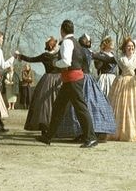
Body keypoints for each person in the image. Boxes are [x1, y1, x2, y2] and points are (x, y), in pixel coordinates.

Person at [35, 20, 98, 148]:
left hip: (72, 80)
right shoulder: (76, 43)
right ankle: (48, 137)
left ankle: (91, 138)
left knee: (80, 108)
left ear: (62, 30)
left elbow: (66, 62)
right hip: (72, 79)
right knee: (59, 107)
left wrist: (54, 64)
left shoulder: (67, 42)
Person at [56, 34, 116, 141]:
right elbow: (106, 59)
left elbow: (106, 59)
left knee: (79, 107)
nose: (84, 40)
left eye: (86, 39)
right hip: (83, 78)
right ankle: (84, 132)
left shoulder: (82, 50)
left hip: (81, 79)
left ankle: (84, 133)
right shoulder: (87, 52)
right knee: (87, 106)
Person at [16, 36, 61, 133]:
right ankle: (53, 126)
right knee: (51, 102)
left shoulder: (46, 55)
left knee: (45, 103)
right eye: (56, 43)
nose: (57, 44)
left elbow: (31, 59)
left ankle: (46, 126)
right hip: (58, 79)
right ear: (53, 45)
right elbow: (31, 59)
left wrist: (21, 56)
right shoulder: (59, 54)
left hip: (48, 79)